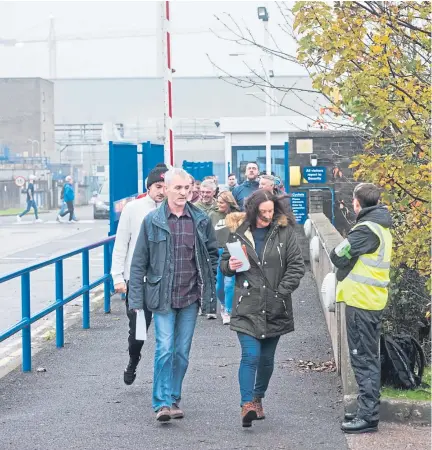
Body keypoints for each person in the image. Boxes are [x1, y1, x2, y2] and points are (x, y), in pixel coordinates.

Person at [128, 168, 219, 423]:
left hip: (190, 296)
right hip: (162, 296)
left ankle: (174, 397)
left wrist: (208, 282)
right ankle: (162, 403)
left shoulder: (200, 219)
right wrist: (136, 302)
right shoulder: (153, 220)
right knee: (164, 348)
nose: (183, 193)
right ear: (165, 189)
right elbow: (138, 264)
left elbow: (212, 254)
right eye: (177, 188)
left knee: (181, 352)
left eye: (187, 188)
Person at [220, 189, 305, 428]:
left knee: (267, 360)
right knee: (251, 355)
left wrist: (281, 291)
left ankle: (258, 398)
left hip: (275, 306)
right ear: (253, 210)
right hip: (246, 304)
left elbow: (297, 266)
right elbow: (224, 265)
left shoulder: (284, 232)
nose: (268, 215)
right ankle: (246, 404)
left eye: (271, 211)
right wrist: (231, 265)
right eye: (263, 211)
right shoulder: (238, 232)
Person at [330, 183, 392, 434]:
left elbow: (336, 255)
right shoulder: (381, 225)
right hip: (371, 299)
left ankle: (368, 417)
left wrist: (345, 251)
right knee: (366, 357)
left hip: (361, 301)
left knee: (363, 359)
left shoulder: (366, 230)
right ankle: (367, 409)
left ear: (357, 203)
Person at [111, 163, 168, 385]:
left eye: (165, 186)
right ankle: (134, 359)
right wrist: (117, 277)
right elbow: (120, 244)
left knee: (167, 334)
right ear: (148, 186)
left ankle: (164, 381)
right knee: (139, 332)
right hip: (138, 281)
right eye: (157, 186)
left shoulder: (174, 209)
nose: (161, 191)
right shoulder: (132, 209)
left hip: (165, 280)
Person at [209, 191, 239, 324]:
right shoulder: (212, 215)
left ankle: (228, 311)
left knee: (229, 284)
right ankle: (223, 303)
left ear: (229, 203)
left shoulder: (237, 216)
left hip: (233, 251)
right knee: (218, 286)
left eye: (221, 202)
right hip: (217, 251)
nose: (218, 204)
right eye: (218, 202)